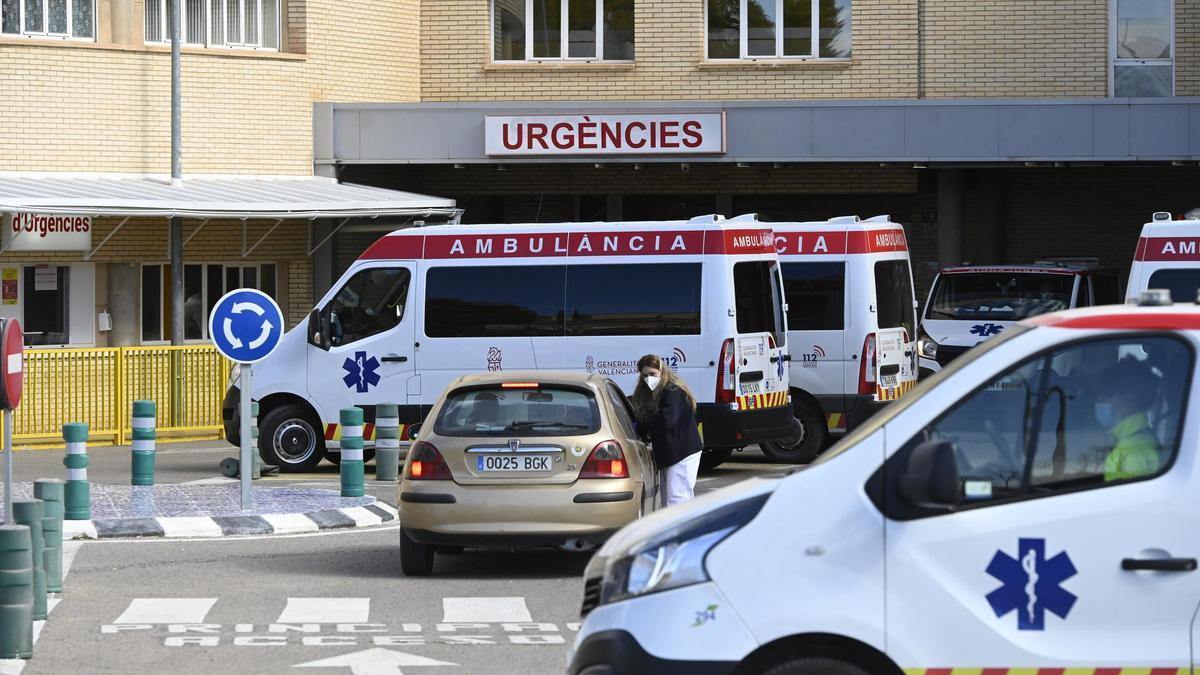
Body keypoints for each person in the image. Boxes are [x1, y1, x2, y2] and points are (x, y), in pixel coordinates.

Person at [631, 354, 703, 507]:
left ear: (661, 371)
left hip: (682, 453)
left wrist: (641, 424)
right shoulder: (657, 392)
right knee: (671, 500)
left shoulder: (673, 391)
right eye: (645, 375)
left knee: (677, 499)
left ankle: (681, 530)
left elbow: (665, 422)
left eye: (652, 374)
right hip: (673, 453)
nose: (648, 378)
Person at [1095, 357, 1162, 482]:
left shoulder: (1129, 450)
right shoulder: (1142, 437)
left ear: (1128, 400)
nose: (1098, 403)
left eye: (1104, 398)